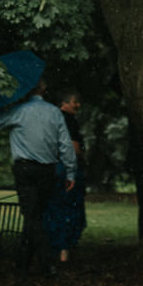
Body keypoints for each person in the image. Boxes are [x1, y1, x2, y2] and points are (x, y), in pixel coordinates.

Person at [0, 79, 77, 277]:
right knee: (35, 215)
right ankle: (23, 265)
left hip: (25, 169)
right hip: (48, 170)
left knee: (32, 217)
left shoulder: (19, 110)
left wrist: (2, 103)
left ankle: (46, 264)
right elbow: (65, 144)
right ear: (43, 89)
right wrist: (70, 171)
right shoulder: (54, 112)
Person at [44, 88, 88, 268]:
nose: (78, 105)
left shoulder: (50, 120)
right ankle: (64, 251)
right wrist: (83, 158)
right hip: (67, 168)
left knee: (54, 207)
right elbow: (74, 149)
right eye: (74, 102)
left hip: (51, 167)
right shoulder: (69, 120)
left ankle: (53, 248)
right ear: (64, 103)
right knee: (70, 207)